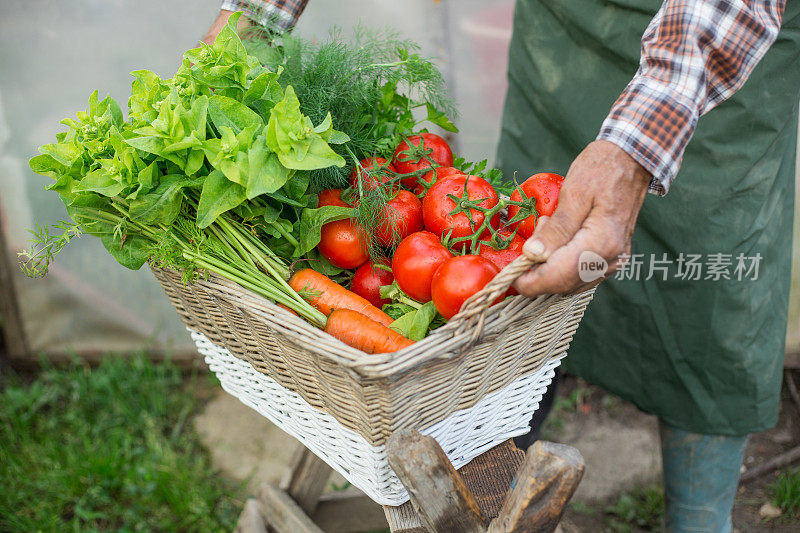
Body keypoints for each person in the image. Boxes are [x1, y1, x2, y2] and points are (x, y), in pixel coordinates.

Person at [205, 2, 798, 531]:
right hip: (565, 40)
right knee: (527, 286)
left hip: (716, 52)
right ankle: (490, 464)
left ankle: (701, 518)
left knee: (709, 305)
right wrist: (257, 15)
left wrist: (638, 146)